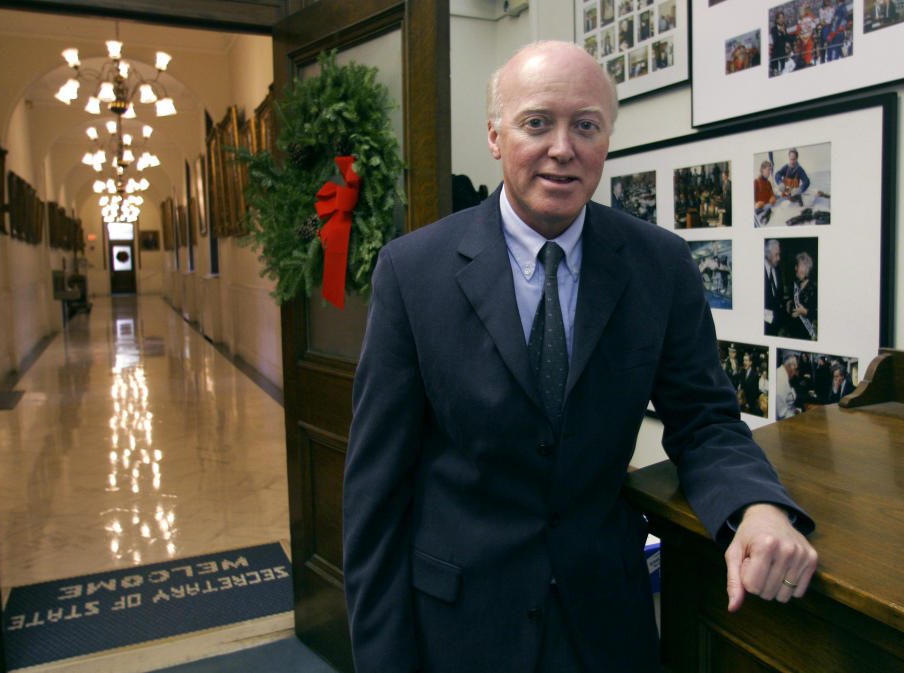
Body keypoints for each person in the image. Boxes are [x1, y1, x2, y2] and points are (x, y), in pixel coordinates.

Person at [343, 42, 817, 673]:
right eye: (537, 122)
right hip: (462, 627)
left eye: (585, 125)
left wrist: (756, 507)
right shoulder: (413, 272)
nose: (562, 148)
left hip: (606, 622)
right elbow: (376, 492)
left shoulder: (660, 266)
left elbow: (704, 419)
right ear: (494, 135)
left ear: (607, 138)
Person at [785, 251, 817, 340]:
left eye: (797, 265)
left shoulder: (813, 289)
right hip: (793, 333)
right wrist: (788, 302)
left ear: (804, 267)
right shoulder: (795, 285)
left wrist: (804, 312)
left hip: (805, 335)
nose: (795, 268)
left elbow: (818, 313)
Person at [765, 239, 785, 335]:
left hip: (776, 329)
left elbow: (779, 299)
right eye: (776, 255)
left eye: (779, 254)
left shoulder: (778, 271)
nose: (779, 258)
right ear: (768, 254)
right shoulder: (757, 271)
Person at [777, 354, 802, 419]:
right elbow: (782, 413)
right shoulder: (781, 379)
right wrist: (797, 413)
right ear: (789, 366)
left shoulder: (782, 374)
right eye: (795, 369)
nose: (796, 373)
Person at [754, 159, 777, 225]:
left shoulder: (768, 183)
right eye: (768, 170)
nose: (769, 172)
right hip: (758, 214)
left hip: (768, 211)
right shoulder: (756, 182)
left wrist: (773, 198)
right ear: (762, 170)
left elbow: (772, 195)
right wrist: (756, 204)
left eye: (770, 170)